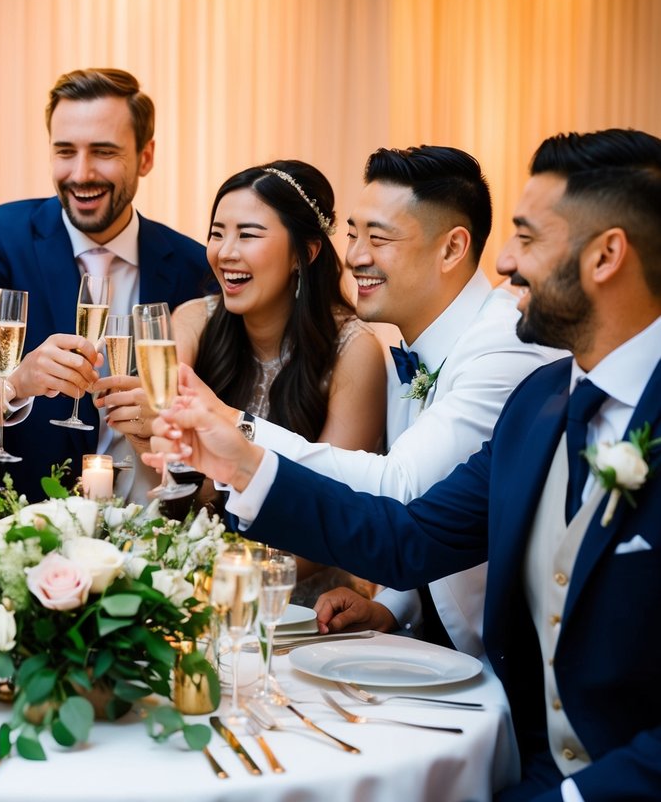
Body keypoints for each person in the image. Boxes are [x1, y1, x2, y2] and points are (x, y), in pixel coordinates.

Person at [149, 128, 661, 801]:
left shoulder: (506, 363)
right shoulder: (543, 404)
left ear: (605, 256)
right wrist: (244, 463)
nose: (503, 261)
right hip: (520, 760)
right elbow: (409, 534)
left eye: (527, 238)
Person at [186, 146, 562, 656]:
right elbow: (438, 523)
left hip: (506, 661)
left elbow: (400, 491)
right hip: (434, 635)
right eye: (353, 234)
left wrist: (237, 430)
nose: (356, 255)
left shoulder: (503, 345)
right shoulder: (412, 346)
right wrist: (393, 607)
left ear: (452, 249)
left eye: (378, 238)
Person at [98, 160, 385, 599]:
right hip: (201, 579)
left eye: (248, 234)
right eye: (217, 233)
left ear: (305, 253)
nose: (225, 251)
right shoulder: (193, 320)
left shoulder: (355, 349)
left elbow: (339, 508)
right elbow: (165, 452)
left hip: (300, 601)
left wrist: (239, 586)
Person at [0, 68, 210, 501]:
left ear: (145, 157)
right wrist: (19, 380)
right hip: (17, 526)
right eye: (65, 151)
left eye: (103, 152)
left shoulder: (195, 265)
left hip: (155, 531)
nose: (81, 174)